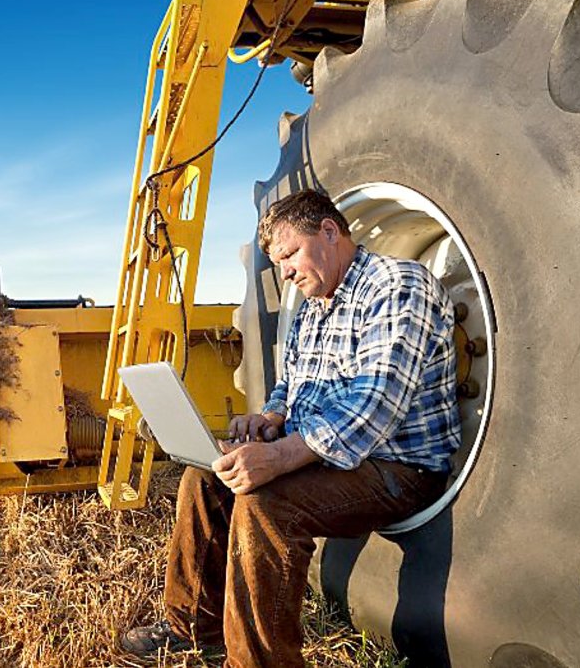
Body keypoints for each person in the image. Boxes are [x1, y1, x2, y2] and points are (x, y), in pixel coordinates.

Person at [120, 189, 462, 667]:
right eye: (278, 262)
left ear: (328, 232)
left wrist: (279, 457)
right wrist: (271, 419)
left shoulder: (398, 285)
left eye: (289, 254)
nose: (284, 272)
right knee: (205, 479)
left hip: (396, 467)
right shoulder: (315, 303)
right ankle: (191, 628)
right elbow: (294, 381)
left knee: (264, 503)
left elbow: (375, 405)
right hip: (334, 459)